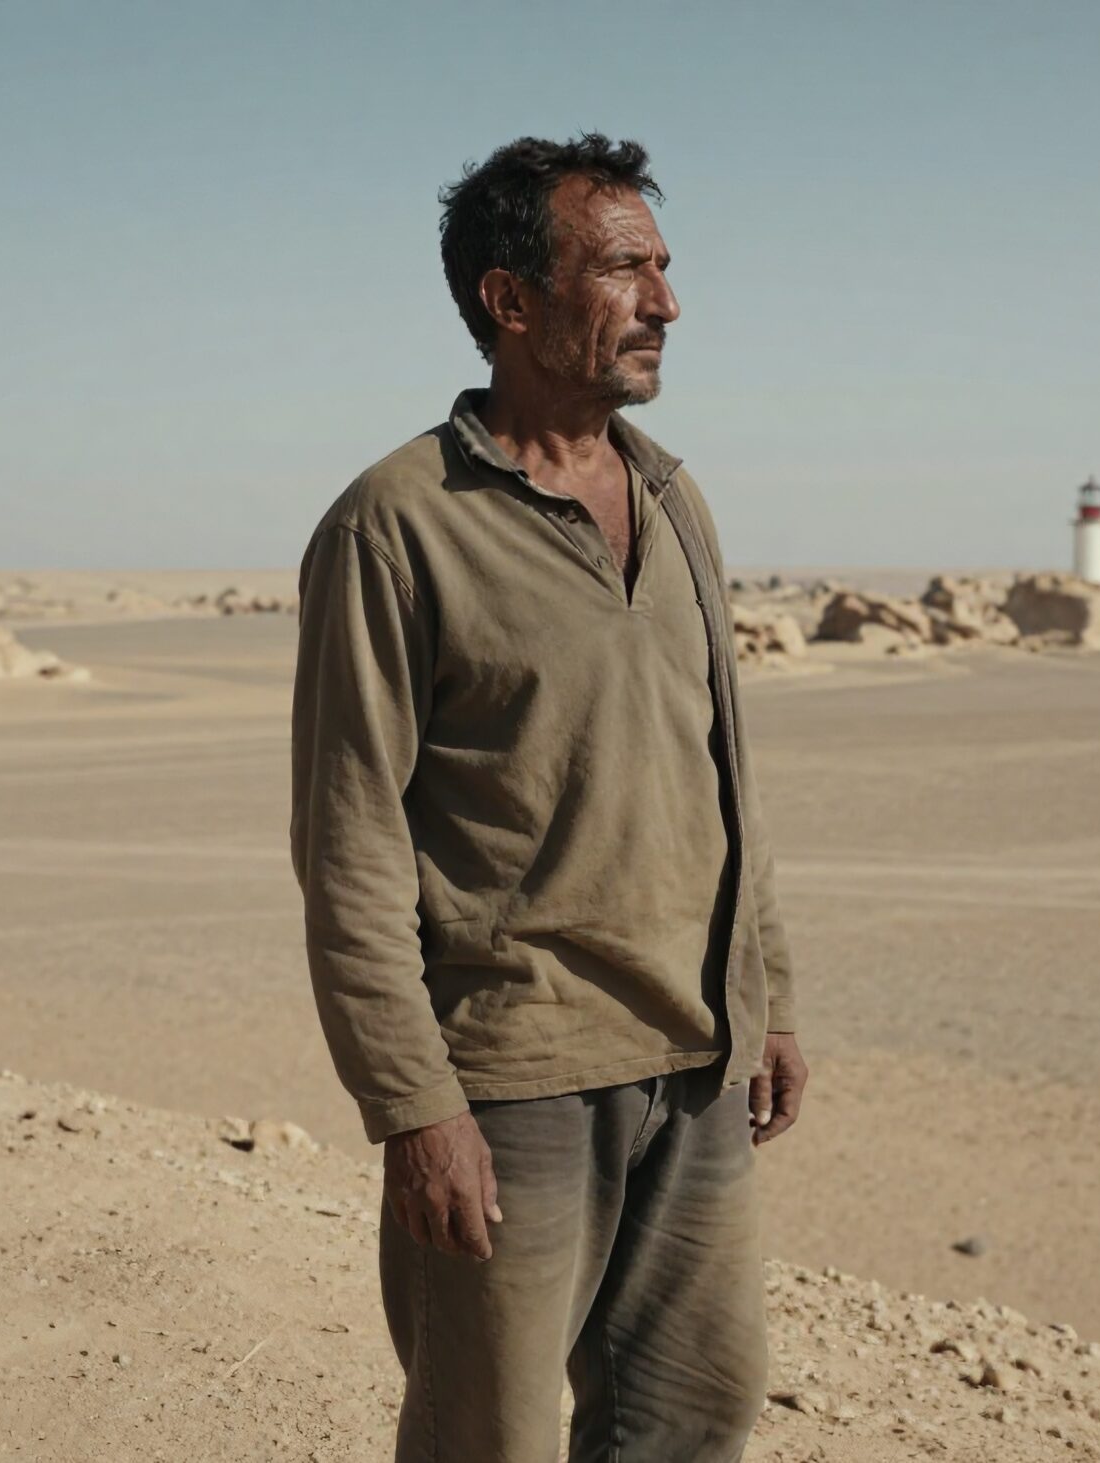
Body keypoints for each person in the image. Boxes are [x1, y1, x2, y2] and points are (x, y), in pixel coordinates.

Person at [288, 133, 807, 1463]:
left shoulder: (674, 495)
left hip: (694, 1064)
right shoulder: (397, 524)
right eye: (626, 269)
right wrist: (413, 1108)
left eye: (665, 268)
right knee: (492, 1437)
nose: (668, 305)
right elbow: (349, 843)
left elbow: (723, 776)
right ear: (510, 301)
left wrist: (770, 998)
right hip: (512, 1081)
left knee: (694, 1417)